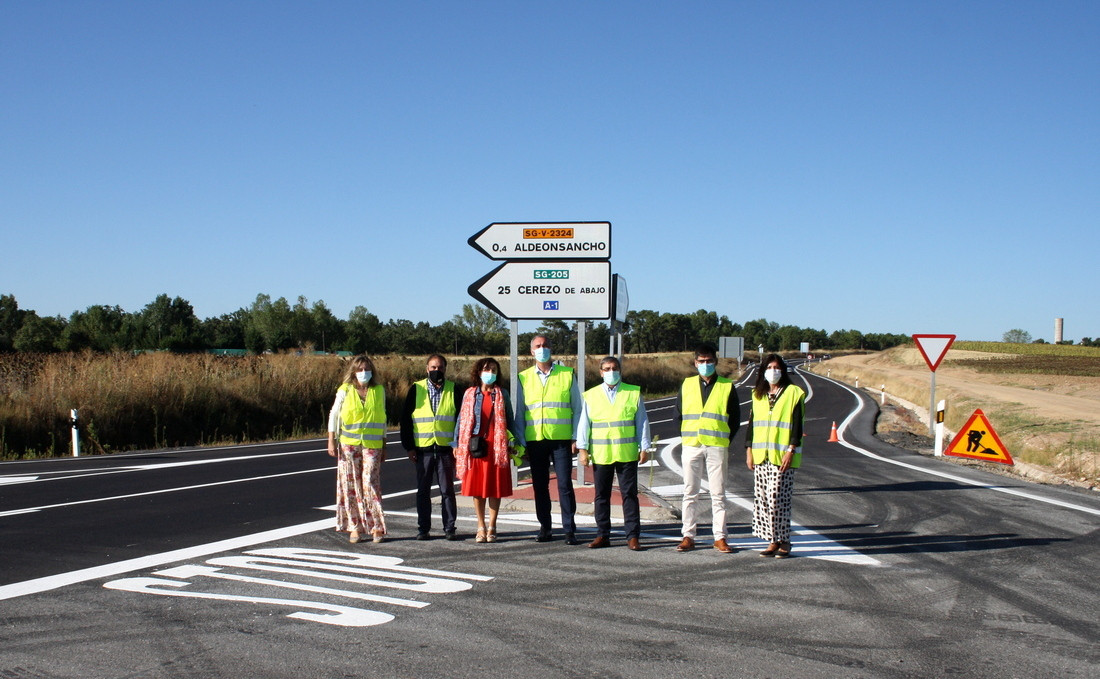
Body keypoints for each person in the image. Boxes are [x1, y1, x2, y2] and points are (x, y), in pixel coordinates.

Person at [577, 356, 651, 551]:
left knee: (630, 495)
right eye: (607, 368)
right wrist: (582, 450)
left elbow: (641, 421)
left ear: (620, 370)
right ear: (601, 372)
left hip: (626, 453)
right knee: (601, 495)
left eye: (615, 368)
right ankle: (602, 534)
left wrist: (645, 447)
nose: (611, 372)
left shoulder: (632, 392)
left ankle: (633, 536)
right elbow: (584, 424)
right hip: (601, 454)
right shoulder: (591, 395)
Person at [673, 344, 740, 554]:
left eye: (709, 361)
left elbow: (735, 419)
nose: (705, 364)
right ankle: (687, 536)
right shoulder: (687, 384)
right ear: (695, 363)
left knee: (718, 494)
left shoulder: (727, 386)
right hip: (692, 445)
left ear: (715, 362)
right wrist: (685, 437)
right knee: (689, 492)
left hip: (716, 445)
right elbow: (678, 415)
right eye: (701, 361)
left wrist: (724, 439)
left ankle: (720, 537)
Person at [515, 335, 582, 545]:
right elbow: (519, 412)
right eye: (538, 346)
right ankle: (545, 527)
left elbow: (577, 409)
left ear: (551, 349)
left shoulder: (567, 374)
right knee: (540, 486)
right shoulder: (523, 377)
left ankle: (569, 529)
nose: (542, 349)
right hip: (535, 441)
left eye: (545, 345)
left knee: (564, 485)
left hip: (561, 440)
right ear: (531, 351)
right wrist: (521, 442)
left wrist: (575, 438)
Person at [454, 357, 524, 543]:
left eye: (494, 370)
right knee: (478, 489)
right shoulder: (469, 394)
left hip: (497, 447)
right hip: (475, 447)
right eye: (487, 369)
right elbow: (461, 420)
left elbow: (510, 419)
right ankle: (480, 526)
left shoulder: (502, 394)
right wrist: (456, 444)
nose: (490, 374)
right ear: (478, 372)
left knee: (494, 488)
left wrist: (518, 443)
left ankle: (492, 526)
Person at [745, 354, 806, 559]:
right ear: (763, 371)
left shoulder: (794, 393)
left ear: (783, 370)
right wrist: (749, 451)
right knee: (763, 499)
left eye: (777, 367)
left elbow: (797, 426)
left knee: (778, 498)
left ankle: (785, 540)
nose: (773, 370)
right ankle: (773, 541)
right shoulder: (758, 394)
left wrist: (791, 449)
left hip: (782, 457)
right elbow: (752, 425)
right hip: (761, 455)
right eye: (769, 367)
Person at [400, 354, 461, 541]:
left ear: (445, 369)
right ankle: (423, 528)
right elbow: (405, 420)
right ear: (427, 369)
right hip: (423, 450)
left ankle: (449, 527)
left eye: (440, 367)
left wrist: (458, 445)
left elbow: (461, 420)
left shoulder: (454, 389)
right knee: (423, 491)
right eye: (433, 367)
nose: (437, 371)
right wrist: (409, 447)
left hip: (445, 450)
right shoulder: (416, 388)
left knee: (447, 491)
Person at [327, 355, 387, 544]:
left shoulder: (378, 391)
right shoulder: (345, 390)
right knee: (350, 486)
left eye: (367, 369)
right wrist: (331, 440)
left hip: (372, 444)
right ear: (353, 371)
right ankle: (355, 527)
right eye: (360, 369)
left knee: (370, 483)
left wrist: (385, 445)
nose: (363, 373)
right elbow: (334, 415)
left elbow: (383, 419)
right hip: (349, 445)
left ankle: (376, 526)